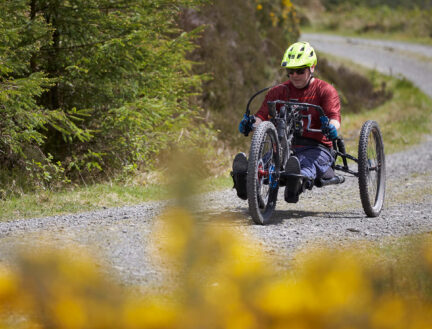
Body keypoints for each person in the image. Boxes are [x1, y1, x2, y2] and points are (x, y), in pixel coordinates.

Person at [232, 41, 343, 202]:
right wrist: (250, 124)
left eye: (299, 71)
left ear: (311, 67)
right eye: (290, 71)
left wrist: (332, 128)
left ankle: (296, 181)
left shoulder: (324, 90)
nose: (294, 76)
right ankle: (245, 178)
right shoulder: (277, 92)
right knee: (262, 165)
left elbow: (334, 118)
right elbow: (261, 117)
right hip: (284, 147)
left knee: (306, 166)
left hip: (317, 147)